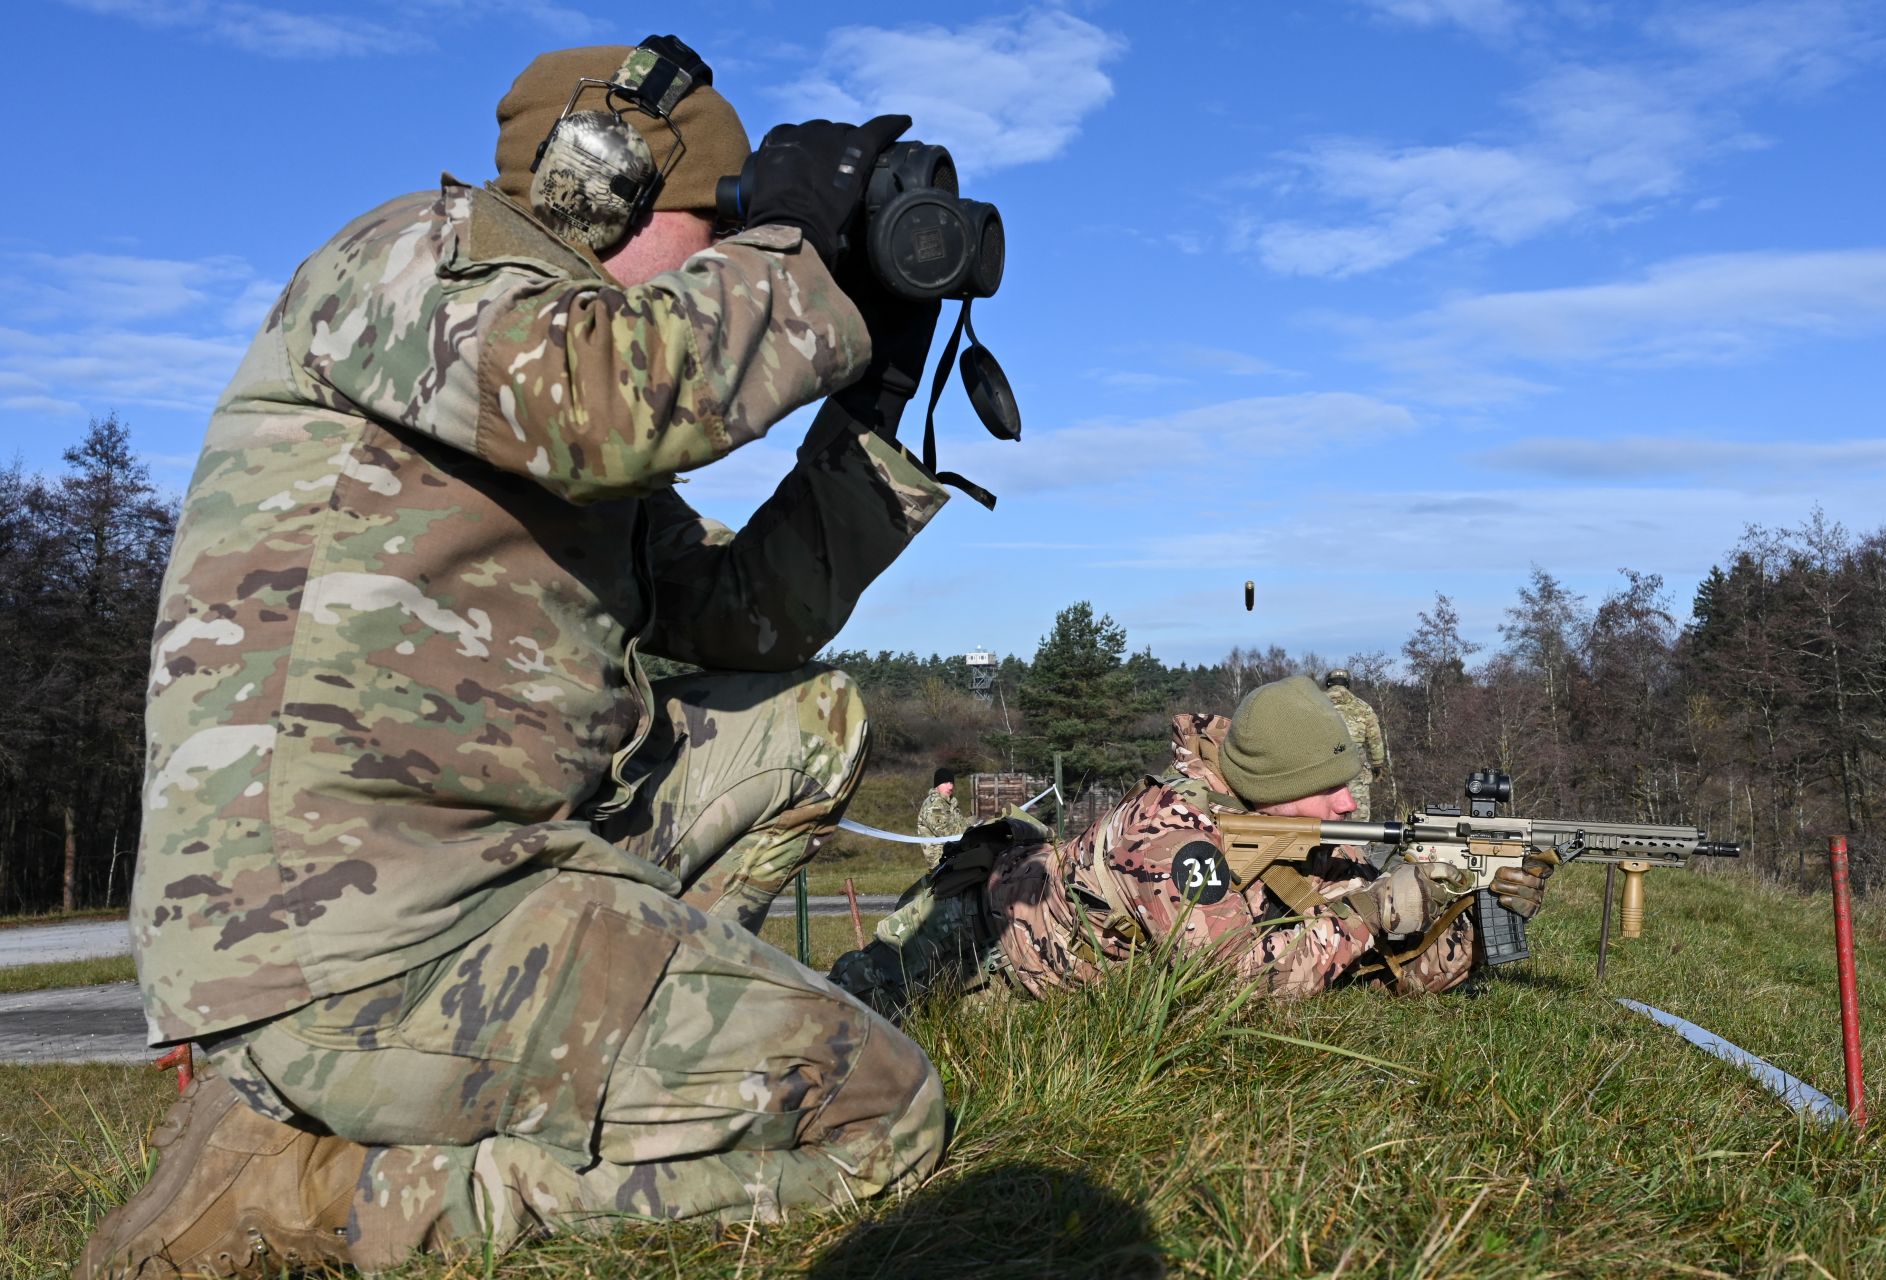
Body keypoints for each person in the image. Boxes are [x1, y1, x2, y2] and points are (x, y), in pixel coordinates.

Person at [82, 40, 956, 1278]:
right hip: (343, 934)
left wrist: (873, 398)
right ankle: (330, 1187)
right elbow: (615, 399)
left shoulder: (556, 397)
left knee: (802, 717)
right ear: (592, 188)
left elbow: (734, 621)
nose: (718, 262)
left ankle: (630, 1041)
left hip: (482, 870)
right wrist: (798, 260)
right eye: (714, 224)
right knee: (878, 1110)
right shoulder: (413, 262)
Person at [829, 677, 1557, 1014]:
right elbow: (1237, 985)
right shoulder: (1171, 833)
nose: (1346, 803)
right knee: (841, 1010)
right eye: (1329, 785)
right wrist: (1373, 910)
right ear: (1274, 779)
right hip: (984, 934)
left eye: (1350, 783)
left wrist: (1464, 911)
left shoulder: (1300, 835)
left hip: (1070, 953)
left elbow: (1387, 969)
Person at [1323, 668, 1391, 819]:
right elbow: (1375, 739)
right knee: (1358, 807)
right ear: (1347, 683)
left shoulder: (1314, 704)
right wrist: (1377, 764)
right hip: (1355, 761)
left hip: (1323, 761)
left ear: (1328, 683)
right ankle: (1357, 839)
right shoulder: (1362, 707)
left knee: (1324, 805)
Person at [915, 766, 968, 869]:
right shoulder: (934, 805)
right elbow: (946, 832)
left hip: (954, 853)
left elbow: (961, 823)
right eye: (946, 783)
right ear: (937, 785)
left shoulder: (950, 803)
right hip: (941, 861)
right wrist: (970, 830)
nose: (950, 787)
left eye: (952, 783)